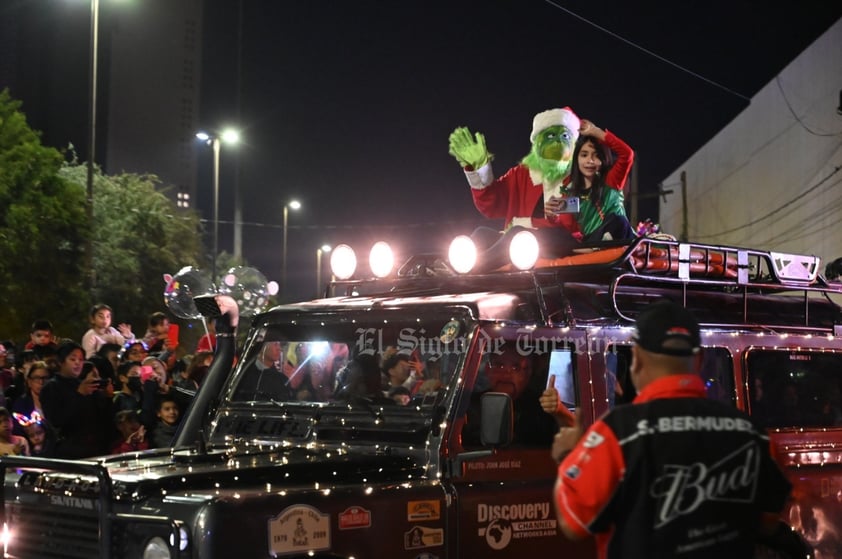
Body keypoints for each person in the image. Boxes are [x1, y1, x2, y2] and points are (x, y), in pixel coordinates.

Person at [551, 300, 792, 558]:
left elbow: (574, 523)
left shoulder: (617, 433)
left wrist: (568, 455)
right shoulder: (751, 434)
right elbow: (768, 520)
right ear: (699, 359)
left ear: (638, 360)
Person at [448, 107, 583, 271]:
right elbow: (492, 205)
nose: (557, 141)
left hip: (561, 240)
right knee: (481, 233)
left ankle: (472, 268)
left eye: (564, 136)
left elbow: (582, 207)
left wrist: (529, 223)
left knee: (517, 232)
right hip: (520, 246)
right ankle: (453, 267)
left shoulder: (581, 174)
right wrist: (480, 168)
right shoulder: (522, 174)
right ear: (538, 142)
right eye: (550, 135)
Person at [551, 120, 636, 242]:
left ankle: (602, 244)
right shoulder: (571, 192)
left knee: (618, 220)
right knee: (548, 234)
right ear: (577, 160)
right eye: (584, 155)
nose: (590, 161)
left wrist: (594, 131)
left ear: (603, 159)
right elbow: (567, 227)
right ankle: (590, 249)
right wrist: (552, 216)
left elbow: (627, 154)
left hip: (616, 234)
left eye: (596, 156)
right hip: (591, 241)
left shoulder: (611, 181)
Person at [40, 342, 115, 458]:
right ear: (61, 362)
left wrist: (108, 397)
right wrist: (79, 394)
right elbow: (57, 420)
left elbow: (103, 418)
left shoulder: (84, 384)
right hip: (68, 451)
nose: (77, 363)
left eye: (81, 360)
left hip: (95, 449)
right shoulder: (51, 387)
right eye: (72, 359)